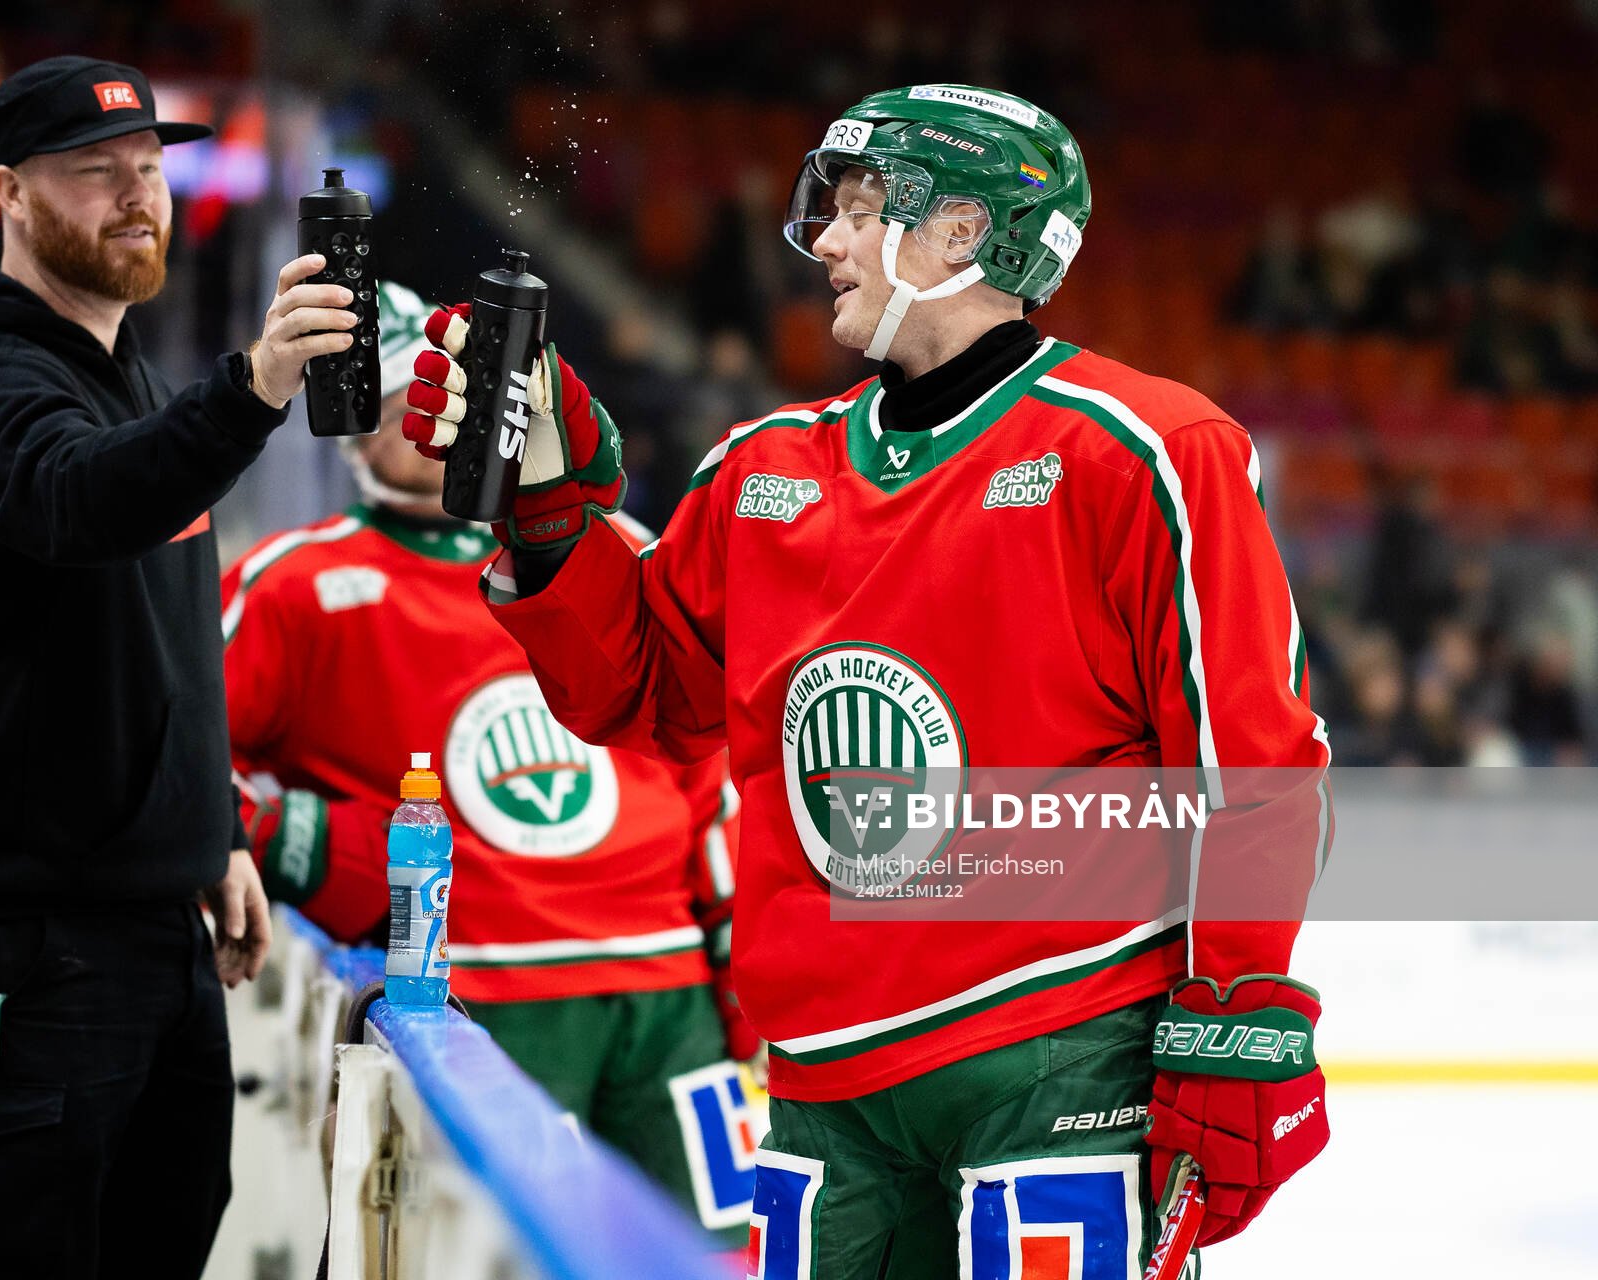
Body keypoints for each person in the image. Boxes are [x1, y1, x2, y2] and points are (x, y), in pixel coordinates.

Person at [405, 85, 1333, 1278]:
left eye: (857, 208)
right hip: (821, 1077)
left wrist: (1238, 1007)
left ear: (963, 232)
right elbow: (640, 697)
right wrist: (546, 509)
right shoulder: (764, 467)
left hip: (1060, 1047)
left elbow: (1252, 761)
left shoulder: (1148, 449)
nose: (825, 242)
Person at [0, 55, 357, 1279]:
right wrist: (252, 387)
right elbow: (78, 501)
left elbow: (165, 652)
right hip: (25, 945)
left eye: (148, 168)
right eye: (94, 174)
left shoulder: (122, 379)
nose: (135, 194)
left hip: (156, 931)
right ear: (10, 194)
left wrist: (215, 838)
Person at [221, 282, 759, 1243]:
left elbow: (718, 771)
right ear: (346, 430)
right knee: (508, 1252)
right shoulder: (291, 586)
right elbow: (177, 754)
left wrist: (744, 974)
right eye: (386, 405)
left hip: (667, 995)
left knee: (715, 1253)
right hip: (472, 998)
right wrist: (291, 842)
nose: (417, 425)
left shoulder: (613, 550)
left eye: (431, 397)